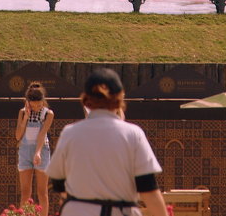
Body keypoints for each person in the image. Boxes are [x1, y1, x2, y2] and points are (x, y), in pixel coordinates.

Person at [47, 68, 169, 216]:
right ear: (120, 97)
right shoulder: (133, 134)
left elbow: (57, 180)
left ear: (86, 99)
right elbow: (148, 188)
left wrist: (78, 201)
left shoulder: (70, 133)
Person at [16, 82, 55, 215]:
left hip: (42, 151)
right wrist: (26, 117)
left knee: (42, 192)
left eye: (39, 104)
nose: (37, 107)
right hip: (25, 152)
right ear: (28, 102)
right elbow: (18, 136)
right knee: (25, 192)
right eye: (34, 105)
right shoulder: (22, 112)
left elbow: (42, 134)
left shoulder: (48, 114)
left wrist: (38, 153)